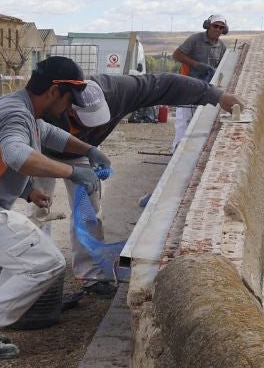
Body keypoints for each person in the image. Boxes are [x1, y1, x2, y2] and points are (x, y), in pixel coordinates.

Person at [0, 56, 109, 359]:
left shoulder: (22, 108)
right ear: (53, 91)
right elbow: (17, 155)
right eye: (69, 100)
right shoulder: (15, 114)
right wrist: (72, 171)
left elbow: (47, 134)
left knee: (29, 261)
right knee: (46, 262)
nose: (69, 108)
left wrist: (88, 151)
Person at [42, 70, 246, 295]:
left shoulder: (119, 91)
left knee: (88, 211)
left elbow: (164, 83)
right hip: (40, 151)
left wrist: (217, 96)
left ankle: (90, 274)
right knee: (40, 211)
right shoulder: (46, 103)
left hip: (85, 151)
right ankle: (40, 273)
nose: (91, 125)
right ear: (68, 107)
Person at [170, 13, 230, 144]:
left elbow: (223, 67)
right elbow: (176, 55)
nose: (218, 29)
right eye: (215, 26)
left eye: (221, 28)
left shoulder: (221, 47)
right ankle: (177, 150)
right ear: (208, 25)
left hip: (206, 90)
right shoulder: (195, 40)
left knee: (200, 123)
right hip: (186, 87)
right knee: (183, 122)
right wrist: (196, 65)